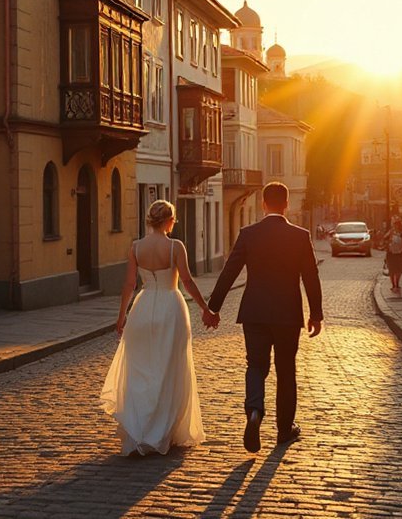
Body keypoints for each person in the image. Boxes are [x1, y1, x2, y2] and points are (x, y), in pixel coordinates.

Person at [204, 182, 323, 453]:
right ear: (287, 204)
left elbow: (229, 271)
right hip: (287, 315)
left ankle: (255, 411)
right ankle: (284, 430)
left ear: (263, 204)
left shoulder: (249, 234)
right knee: (286, 370)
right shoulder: (300, 236)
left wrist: (214, 308)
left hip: (254, 312)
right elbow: (311, 277)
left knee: (256, 365)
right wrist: (315, 314)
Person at [100, 200, 217, 456]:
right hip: (170, 308)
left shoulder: (136, 247)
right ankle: (162, 431)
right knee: (169, 368)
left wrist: (122, 316)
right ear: (169, 221)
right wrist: (204, 308)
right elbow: (187, 281)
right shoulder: (175, 246)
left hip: (142, 308)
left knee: (140, 369)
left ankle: (139, 428)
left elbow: (129, 284)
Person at [384, 218, 402, 292]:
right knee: (392, 270)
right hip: (391, 253)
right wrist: (388, 241)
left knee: (399, 270)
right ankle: (393, 285)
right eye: (395, 224)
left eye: (398, 224)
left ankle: (397, 284)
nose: (396, 226)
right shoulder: (391, 232)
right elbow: (385, 238)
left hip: (400, 253)